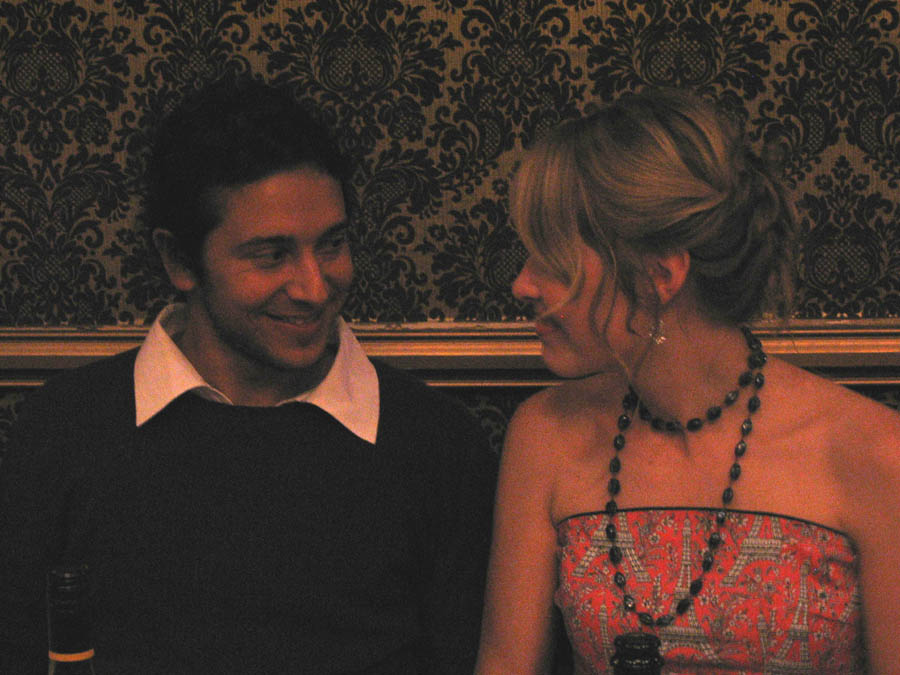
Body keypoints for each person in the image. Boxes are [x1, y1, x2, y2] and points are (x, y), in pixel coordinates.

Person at [0, 78, 496, 674]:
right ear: (179, 260)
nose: (314, 287)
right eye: (271, 255)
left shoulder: (436, 444)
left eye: (332, 244)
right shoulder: (65, 431)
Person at [475, 88, 900, 674]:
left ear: (660, 276)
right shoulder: (545, 434)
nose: (522, 284)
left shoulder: (874, 452)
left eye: (552, 257)